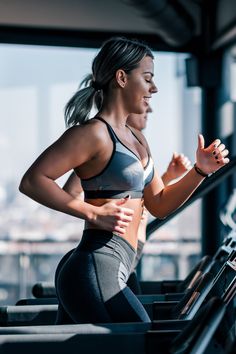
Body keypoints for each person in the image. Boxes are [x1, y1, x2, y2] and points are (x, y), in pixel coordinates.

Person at [19, 37, 229, 324]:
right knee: (143, 339)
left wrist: (200, 172)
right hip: (96, 265)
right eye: (147, 78)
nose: (153, 88)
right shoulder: (93, 133)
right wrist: (91, 211)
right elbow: (33, 181)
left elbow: (159, 204)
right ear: (121, 77)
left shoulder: (138, 138)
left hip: (119, 267)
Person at [62, 106, 192, 295]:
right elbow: (72, 192)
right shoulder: (103, 147)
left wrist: (168, 177)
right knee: (136, 322)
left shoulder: (137, 143)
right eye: (144, 102)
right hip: (107, 254)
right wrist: (97, 212)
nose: (150, 109)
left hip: (127, 255)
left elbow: (143, 198)